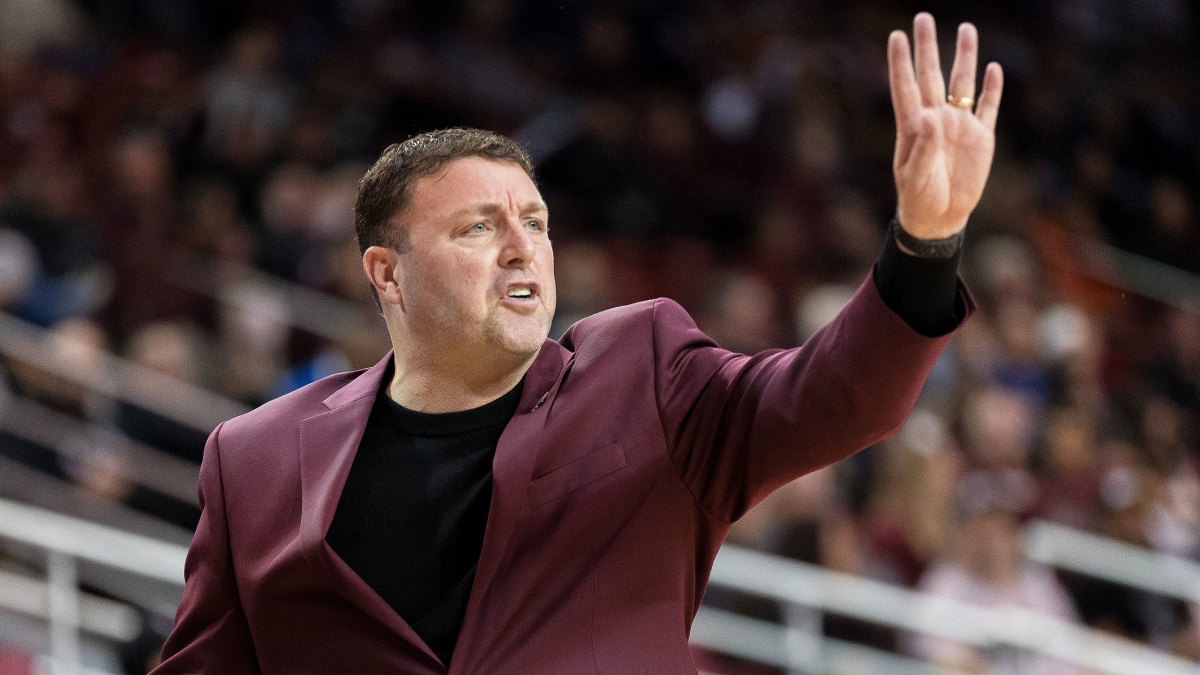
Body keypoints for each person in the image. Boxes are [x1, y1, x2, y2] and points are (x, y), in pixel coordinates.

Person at [155, 12, 1003, 674]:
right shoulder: (253, 459)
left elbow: (835, 395)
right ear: (387, 273)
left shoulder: (645, 370)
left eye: (536, 222)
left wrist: (925, 241)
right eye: (480, 227)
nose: (524, 246)